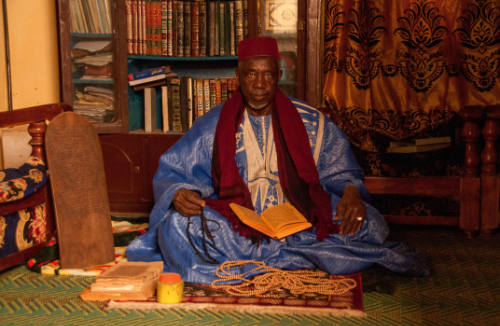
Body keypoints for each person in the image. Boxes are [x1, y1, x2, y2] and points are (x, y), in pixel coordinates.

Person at [126, 36, 429, 283]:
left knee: (371, 224)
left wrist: (351, 192)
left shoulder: (312, 121)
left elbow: (341, 169)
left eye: (267, 74)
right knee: (177, 226)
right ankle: (303, 257)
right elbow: (175, 169)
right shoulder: (213, 125)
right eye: (251, 74)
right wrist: (179, 192)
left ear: (278, 77)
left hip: (301, 217)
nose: (259, 83)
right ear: (239, 77)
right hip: (239, 223)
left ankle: (258, 259)